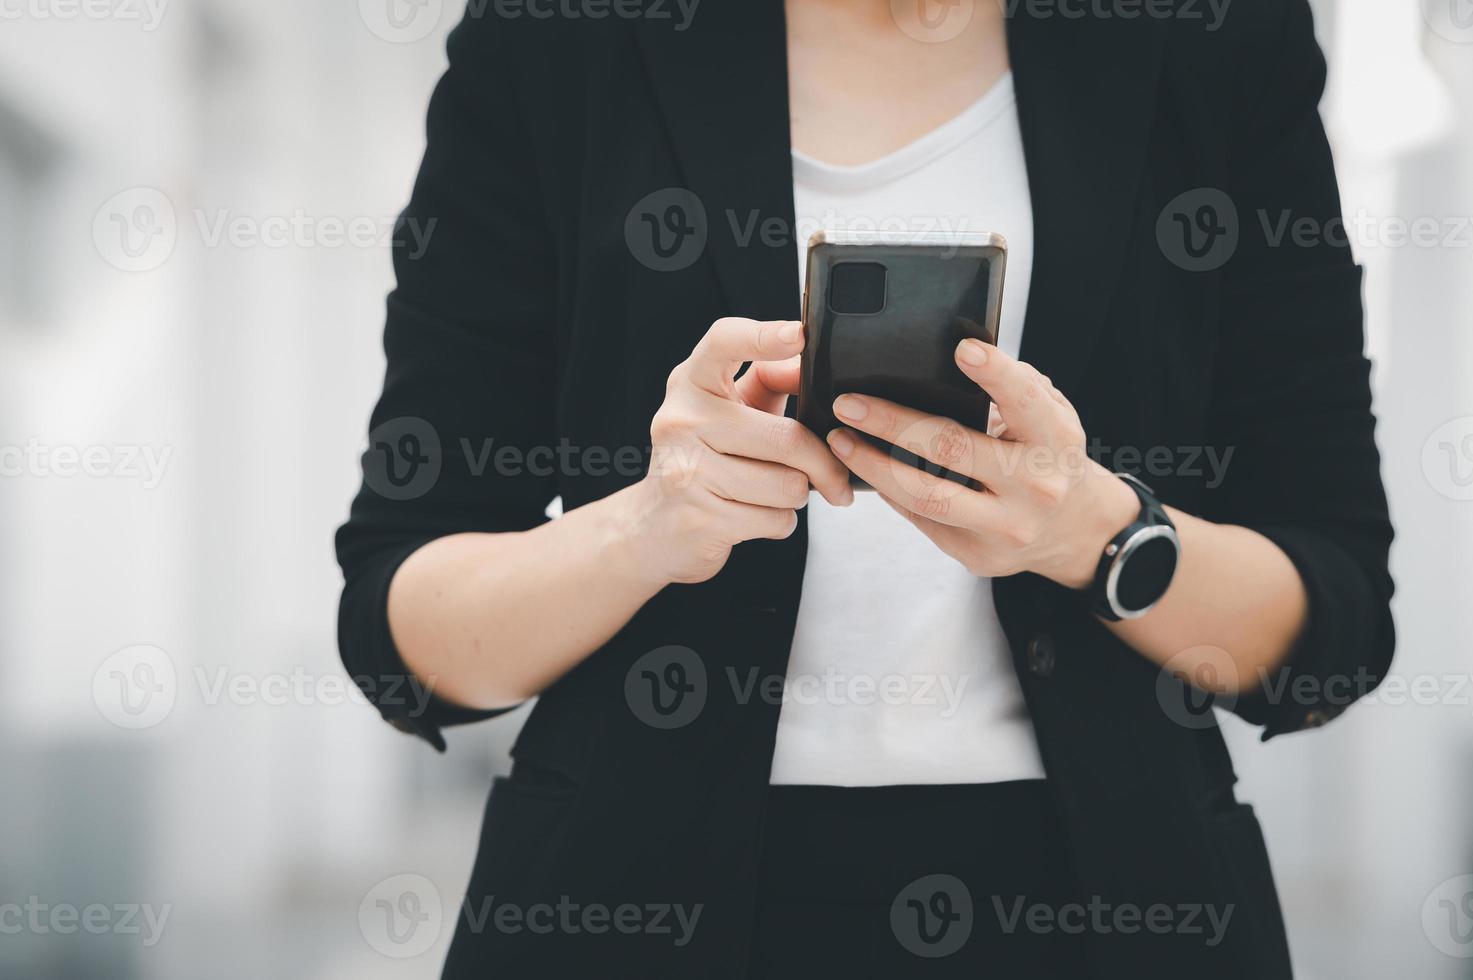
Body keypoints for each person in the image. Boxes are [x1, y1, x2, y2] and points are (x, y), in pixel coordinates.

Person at [335, 1, 1395, 976]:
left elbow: (1335, 625)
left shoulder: (1215, 33)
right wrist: (645, 528)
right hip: (631, 897)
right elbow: (400, 632)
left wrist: (1097, 534)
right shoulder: (558, 33)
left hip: (1112, 905)